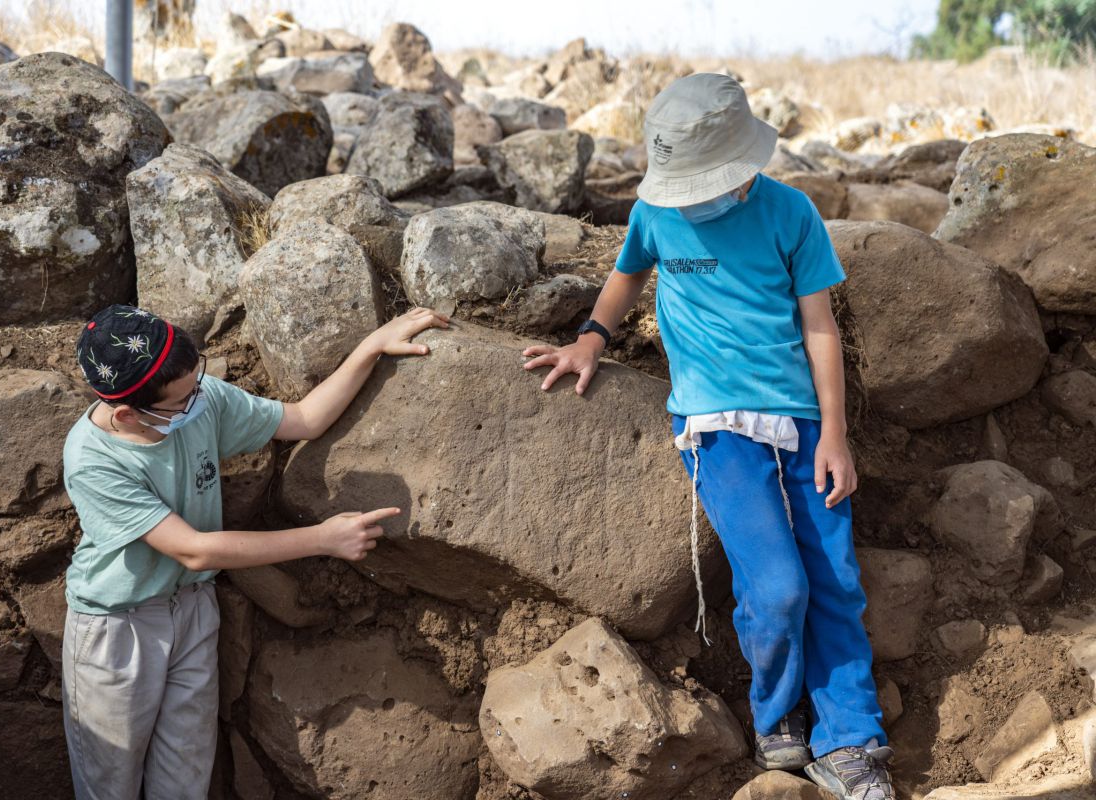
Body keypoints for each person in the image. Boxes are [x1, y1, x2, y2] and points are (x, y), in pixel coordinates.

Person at [521, 74, 893, 800]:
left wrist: (836, 435)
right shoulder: (655, 212)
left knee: (837, 582)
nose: (695, 197)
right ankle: (777, 713)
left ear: (744, 166)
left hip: (804, 422)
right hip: (716, 427)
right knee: (780, 588)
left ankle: (852, 739)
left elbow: (819, 328)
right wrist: (592, 337)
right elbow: (627, 276)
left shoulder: (791, 212)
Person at [61, 303, 449, 799]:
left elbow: (305, 419)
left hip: (193, 610)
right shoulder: (93, 459)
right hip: (118, 629)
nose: (199, 400)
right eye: (182, 400)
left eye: (197, 383)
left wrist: (371, 346)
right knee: (109, 787)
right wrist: (322, 540)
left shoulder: (196, 399)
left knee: (184, 783)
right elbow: (195, 550)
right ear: (126, 414)